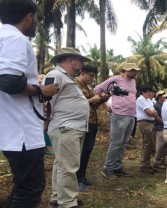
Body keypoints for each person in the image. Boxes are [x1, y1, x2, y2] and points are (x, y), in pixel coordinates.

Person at [0, 1, 59, 207]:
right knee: (30, 188)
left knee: (22, 185)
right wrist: (40, 90)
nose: (36, 23)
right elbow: (8, 80)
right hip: (20, 130)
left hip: (12, 126)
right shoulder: (15, 39)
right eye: (36, 18)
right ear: (28, 15)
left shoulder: (3, 37)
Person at [45, 47, 91, 207]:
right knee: (68, 166)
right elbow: (46, 103)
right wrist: (44, 125)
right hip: (65, 127)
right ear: (70, 60)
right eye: (80, 60)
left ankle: (58, 197)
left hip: (71, 127)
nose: (82, 64)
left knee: (62, 164)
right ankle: (68, 203)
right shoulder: (55, 75)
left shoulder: (67, 77)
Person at [94, 63, 140, 180]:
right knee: (116, 143)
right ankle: (107, 168)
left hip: (131, 115)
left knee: (124, 143)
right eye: (133, 70)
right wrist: (104, 104)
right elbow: (97, 89)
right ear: (124, 70)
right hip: (119, 114)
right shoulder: (115, 80)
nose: (135, 73)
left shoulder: (133, 82)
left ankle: (117, 166)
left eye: (136, 71)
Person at [76, 65, 109, 192]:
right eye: (91, 76)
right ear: (83, 73)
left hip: (92, 121)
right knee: (81, 151)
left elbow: (93, 106)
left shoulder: (86, 87)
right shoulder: (75, 85)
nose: (92, 79)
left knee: (87, 150)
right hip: (82, 122)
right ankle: (77, 179)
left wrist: (102, 99)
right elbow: (77, 103)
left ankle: (82, 176)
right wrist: (92, 100)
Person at [136, 85, 162, 175]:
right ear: (143, 92)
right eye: (148, 91)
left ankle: (146, 163)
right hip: (145, 122)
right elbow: (150, 112)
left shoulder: (148, 100)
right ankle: (144, 165)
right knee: (148, 144)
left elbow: (154, 113)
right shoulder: (141, 100)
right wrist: (154, 113)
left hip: (150, 123)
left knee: (149, 144)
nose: (150, 93)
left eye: (151, 91)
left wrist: (154, 113)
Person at [153, 90, 167, 169]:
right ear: (159, 97)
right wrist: (163, 123)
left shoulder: (165, 105)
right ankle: (157, 161)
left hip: (166, 127)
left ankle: (162, 160)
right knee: (160, 145)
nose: (164, 97)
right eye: (162, 96)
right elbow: (156, 116)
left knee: (165, 146)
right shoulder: (156, 105)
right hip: (159, 127)